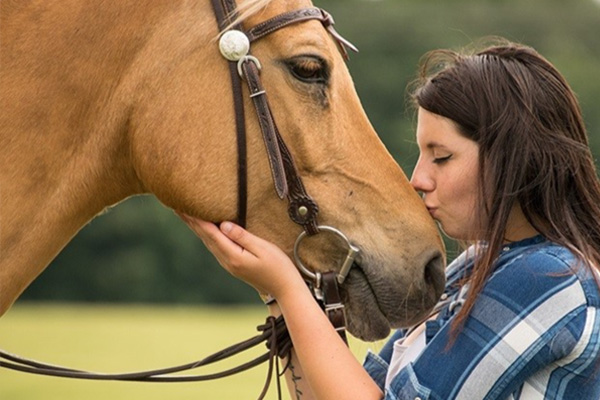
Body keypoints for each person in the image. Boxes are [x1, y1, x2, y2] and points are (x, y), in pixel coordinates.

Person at [182, 39, 600, 399]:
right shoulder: (477, 266)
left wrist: (289, 289)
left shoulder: (550, 278)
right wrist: (276, 292)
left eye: (442, 157)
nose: (418, 178)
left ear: (514, 160)